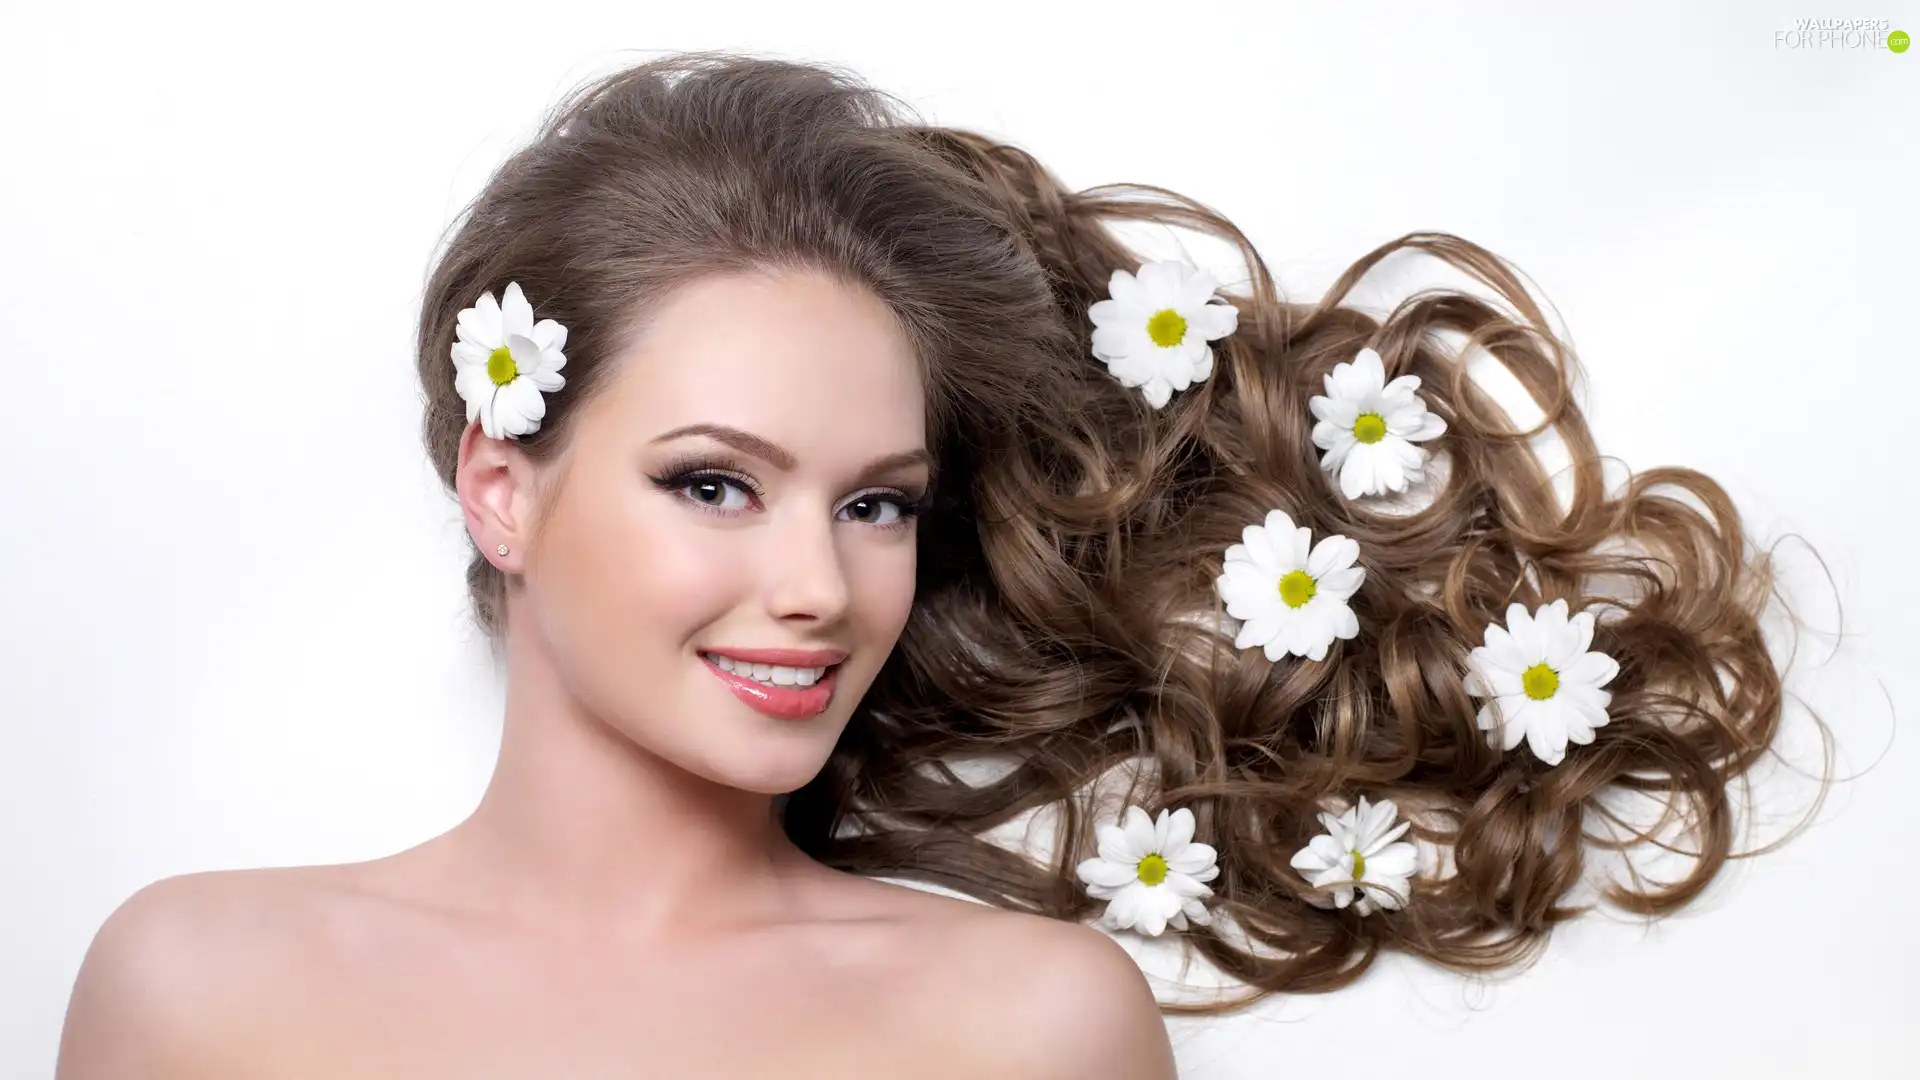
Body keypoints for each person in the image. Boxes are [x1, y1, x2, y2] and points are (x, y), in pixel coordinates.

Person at [54, 50, 1819, 1077]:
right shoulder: (199, 992)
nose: (821, 586)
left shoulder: (1029, 1028)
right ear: (499, 488)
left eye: (877, 502)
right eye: (715, 485)